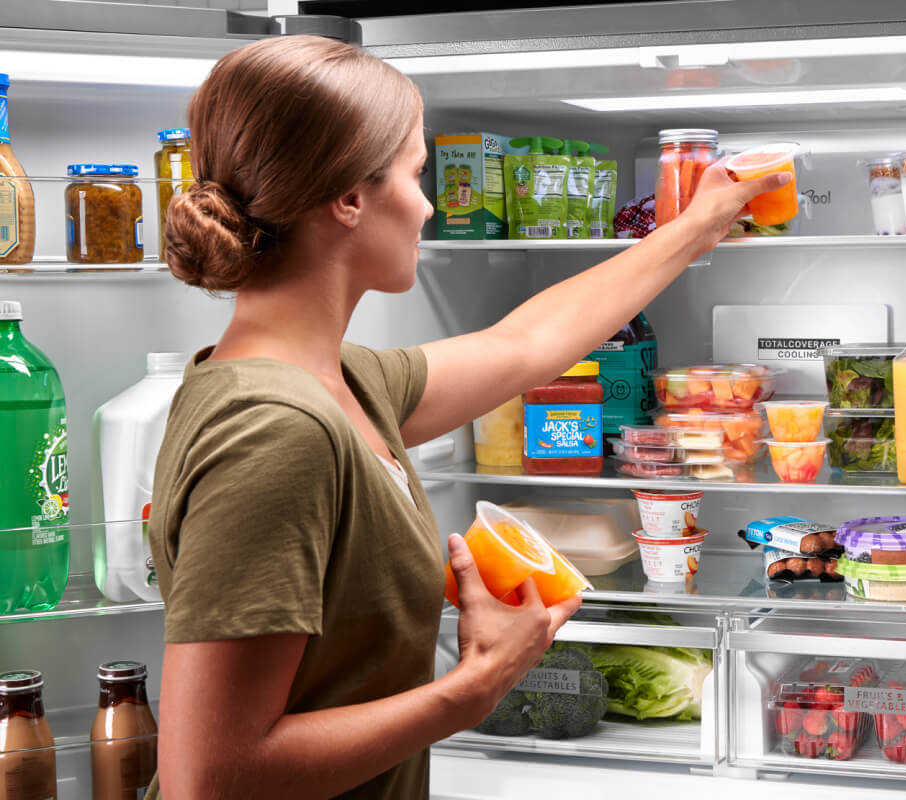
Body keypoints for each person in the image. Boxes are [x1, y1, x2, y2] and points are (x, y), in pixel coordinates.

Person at [145, 35, 788, 800]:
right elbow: (210, 777)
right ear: (349, 197)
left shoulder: (336, 381)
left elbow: (524, 346)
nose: (426, 205)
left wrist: (694, 226)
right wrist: (473, 689)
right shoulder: (276, 431)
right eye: (416, 175)